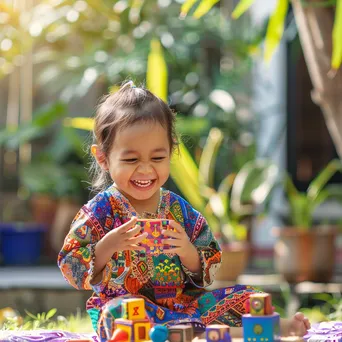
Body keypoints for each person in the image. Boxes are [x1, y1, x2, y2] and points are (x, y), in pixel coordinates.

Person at [58, 81, 310, 342]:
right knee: (118, 314)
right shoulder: (100, 211)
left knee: (244, 297)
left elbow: (210, 261)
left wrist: (187, 251)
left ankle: (268, 325)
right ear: (103, 158)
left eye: (157, 158)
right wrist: (109, 244)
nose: (145, 170)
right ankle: (230, 334)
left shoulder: (179, 209)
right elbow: (70, 265)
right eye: (131, 160)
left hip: (186, 306)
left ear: (171, 152)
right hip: (132, 311)